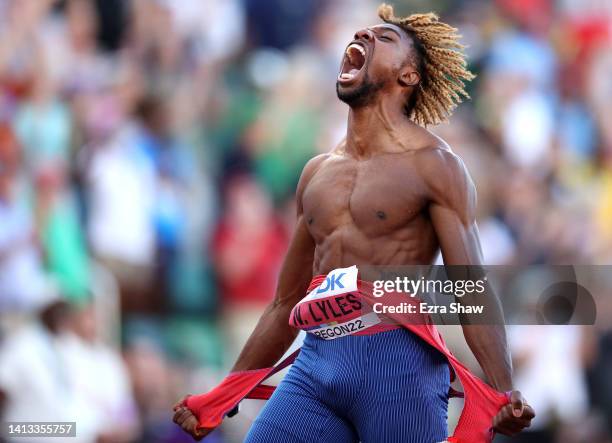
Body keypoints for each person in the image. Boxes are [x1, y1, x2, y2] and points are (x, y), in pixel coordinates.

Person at [173, 4, 535, 442]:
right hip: (317, 363)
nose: (364, 35)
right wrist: (225, 393)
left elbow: (469, 288)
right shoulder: (317, 173)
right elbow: (285, 303)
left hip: (399, 369)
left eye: (384, 39)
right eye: (362, 33)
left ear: (409, 76)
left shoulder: (436, 167)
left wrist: (500, 390)